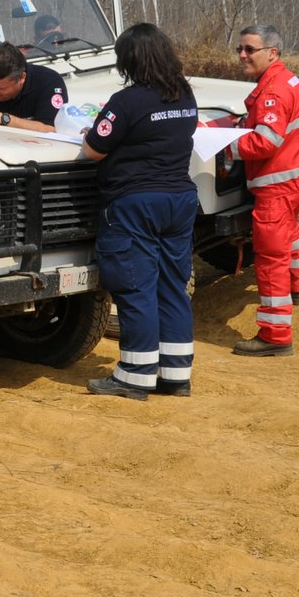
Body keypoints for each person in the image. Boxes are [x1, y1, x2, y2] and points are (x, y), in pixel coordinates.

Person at [80, 23, 199, 400]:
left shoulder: (128, 101)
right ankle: (176, 374)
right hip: (179, 200)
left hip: (136, 203)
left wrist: (91, 131)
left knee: (136, 288)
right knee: (172, 287)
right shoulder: (184, 94)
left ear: (130, 61)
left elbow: (93, 149)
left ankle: (135, 374)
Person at [227, 24, 299, 357]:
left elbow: (265, 141)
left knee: (269, 259)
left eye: (249, 49)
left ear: (272, 53)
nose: (242, 55)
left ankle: (275, 335)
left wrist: (227, 148)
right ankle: (298, 288)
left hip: (277, 185)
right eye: (240, 48)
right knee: (291, 236)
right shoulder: (288, 80)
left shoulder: (272, 91)